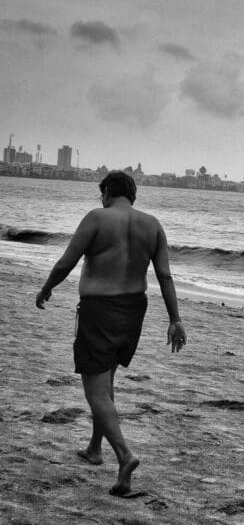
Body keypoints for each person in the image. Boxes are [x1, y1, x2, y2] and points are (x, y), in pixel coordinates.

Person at [35, 171, 187, 497]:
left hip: (99, 310)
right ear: (132, 195)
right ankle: (94, 448)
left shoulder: (97, 218)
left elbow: (67, 261)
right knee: (107, 382)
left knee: (95, 391)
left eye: (100, 194)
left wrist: (47, 288)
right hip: (134, 310)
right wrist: (175, 320)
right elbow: (165, 276)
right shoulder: (153, 225)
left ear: (106, 192)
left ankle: (125, 455)